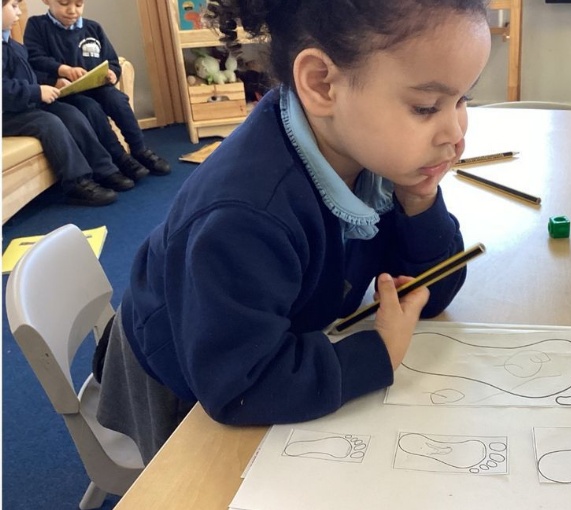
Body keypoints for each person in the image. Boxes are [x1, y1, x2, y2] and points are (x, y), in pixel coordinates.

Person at [94, 0, 492, 463]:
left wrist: (419, 204)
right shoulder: (245, 216)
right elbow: (239, 387)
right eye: (426, 107)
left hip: (279, 329)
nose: (456, 134)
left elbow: (429, 293)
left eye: (462, 100)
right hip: (183, 373)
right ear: (322, 84)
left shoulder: (368, 152)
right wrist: (378, 352)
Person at [2, 0, 133, 206]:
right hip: (8, 114)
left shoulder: (11, 44)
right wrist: (36, 91)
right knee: (49, 124)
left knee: (72, 114)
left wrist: (49, 84)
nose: (19, 13)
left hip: (26, 103)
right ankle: (76, 183)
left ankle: (105, 170)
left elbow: (27, 75)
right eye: (13, 7)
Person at [24, 0, 171, 181]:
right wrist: (62, 71)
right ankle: (120, 157)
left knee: (117, 100)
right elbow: (35, 59)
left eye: (79, 5)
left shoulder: (93, 28)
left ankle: (140, 149)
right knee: (90, 108)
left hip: (97, 87)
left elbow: (112, 61)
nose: (72, 10)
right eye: (64, 3)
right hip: (68, 94)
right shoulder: (36, 25)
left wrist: (112, 73)